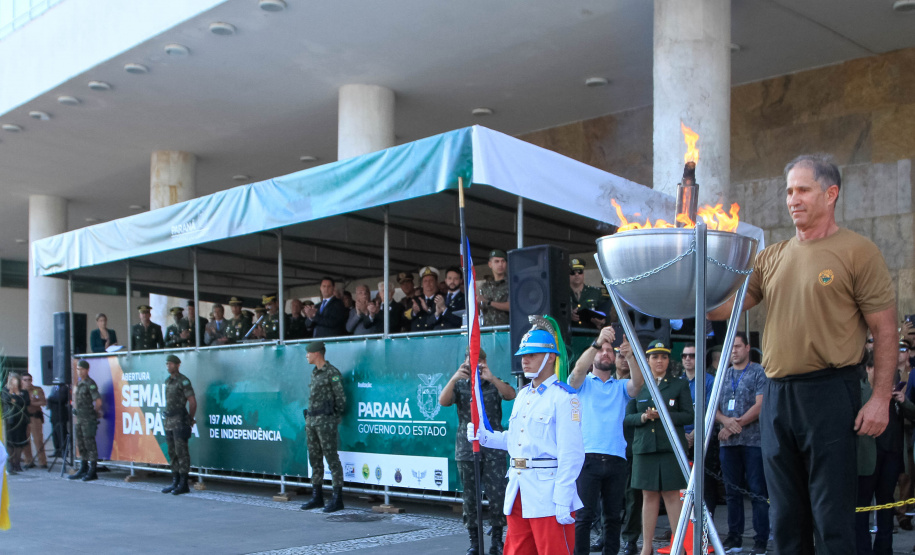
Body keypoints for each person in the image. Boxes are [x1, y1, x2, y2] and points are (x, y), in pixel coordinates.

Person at [708, 154, 897, 554]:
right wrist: (687, 284)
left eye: (803, 189)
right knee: (786, 520)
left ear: (831, 194)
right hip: (778, 396)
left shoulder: (857, 252)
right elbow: (725, 308)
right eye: (789, 190)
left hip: (830, 393)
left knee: (832, 519)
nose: (793, 198)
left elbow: (884, 329)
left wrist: (880, 399)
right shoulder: (771, 256)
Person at [470, 322, 585, 554]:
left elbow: (571, 453)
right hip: (519, 489)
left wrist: (563, 496)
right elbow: (516, 441)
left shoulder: (564, 398)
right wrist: (485, 437)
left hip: (549, 493)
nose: (524, 360)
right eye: (523, 355)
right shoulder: (522, 395)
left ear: (551, 357)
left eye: (531, 355)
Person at [568, 326, 643, 555]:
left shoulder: (620, 386)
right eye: (602, 350)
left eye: (611, 350)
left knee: (612, 517)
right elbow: (577, 370)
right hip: (587, 458)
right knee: (583, 516)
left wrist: (629, 356)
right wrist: (597, 341)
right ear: (594, 355)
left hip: (616, 459)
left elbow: (638, 384)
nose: (606, 353)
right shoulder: (583, 383)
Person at [440, 348, 516, 555]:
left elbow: (511, 395)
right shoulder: (460, 385)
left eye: (479, 361)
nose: (475, 366)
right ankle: (474, 542)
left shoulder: (493, 382)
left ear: (485, 362)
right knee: (471, 499)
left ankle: (497, 541)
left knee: (498, 496)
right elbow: (443, 401)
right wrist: (455, 377)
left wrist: (490, 377)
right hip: (467, 448)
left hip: (494, 449)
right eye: (470, 362)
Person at [623, 340, 692, 555]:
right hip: (645, 448)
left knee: (672, 496)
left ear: (668, 360)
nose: (659, 361)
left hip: (670, 448)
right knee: (648, 496)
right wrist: (644, 416)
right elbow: (628, 418)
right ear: (648, 360)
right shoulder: (639, 384)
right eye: (654, 357)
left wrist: (664, 415)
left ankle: (678, 545)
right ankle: (646, 547)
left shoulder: (678, 384)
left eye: (663, 357)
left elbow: (689, 415)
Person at [857, 345, 913, 555]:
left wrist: (903, 401)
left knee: (886, 504)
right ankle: (862, 550)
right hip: (867, 458)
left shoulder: (894, 392)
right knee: (861, 508)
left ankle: (884, 549)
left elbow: (912, 415)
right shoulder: (860, 390)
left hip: (891, 455)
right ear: (869, 369)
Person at [715, 332, 769, 554]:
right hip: (728, 444)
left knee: (757, 491)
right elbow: (713, 408)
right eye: (730, 348)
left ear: (747, 348)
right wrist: (726, 422)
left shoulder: (758, 372)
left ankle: (761, 540)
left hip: (753, 441)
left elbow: (761, 404)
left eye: (737, 346)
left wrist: (737, 424)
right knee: (731, 492)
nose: (734, 351)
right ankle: (734, 537)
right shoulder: (722, 374)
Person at [299, 341, 347, 513]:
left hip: (325, 421)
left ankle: (337, 498)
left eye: (309, 353)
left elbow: (340, 398)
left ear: (317, 353)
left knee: (331, 458)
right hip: (312, 420)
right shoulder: (314, 373)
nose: (307, 356)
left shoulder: (332, 373)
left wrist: (334, 418)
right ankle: (317, 495)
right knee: (315, 458)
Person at [678, 343, 719, 519]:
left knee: (705, 485)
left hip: (704, 438)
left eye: (692, 355)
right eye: (684, 355)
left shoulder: (709, 380)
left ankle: (705, 529)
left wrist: (695, 434)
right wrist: (684, 435)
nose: (688, 358)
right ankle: (681, 528)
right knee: (681, 486)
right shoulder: (678, 382)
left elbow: (711, 410)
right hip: (681, 438)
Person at [617, 349, 642, 555]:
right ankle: (607, 535)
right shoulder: (605, 384)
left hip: (633, 447)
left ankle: (630, 539)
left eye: (627, 357)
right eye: (620, 356)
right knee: (609, 497)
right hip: (610, 448)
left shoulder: (638, 385)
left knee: (633, 497)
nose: (623, 361)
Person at [161, 354, 196, 495]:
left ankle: (184, 483)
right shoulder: (167, 381)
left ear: (177, 365)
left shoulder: (184, 381)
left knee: (182, 452)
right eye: (167, 364)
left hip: (180, 419)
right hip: (169, 420)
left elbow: (192, 402)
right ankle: (175, 480)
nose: (168, 366)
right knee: (172, 451)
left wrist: (190, 419)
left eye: (171, 364)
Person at [69, 360, 102, 481]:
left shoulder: (90, 383)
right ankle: (83, 468)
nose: (79, 371)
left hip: (88, 418)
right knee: (81, 444)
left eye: (81, 369)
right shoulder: (78, 384)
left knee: (90, 444)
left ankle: (92, 470)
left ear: (87, 370)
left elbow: (98, 401)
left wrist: (94, 412)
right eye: (78, 369)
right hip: (79, 418)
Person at [2, 373, 30, 474]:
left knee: (19, 442)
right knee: (10, 442)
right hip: (10, 420)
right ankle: (10, 463)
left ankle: (17, 463)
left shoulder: (23, 392)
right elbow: (7, 401)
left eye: (16, 380)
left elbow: (26, 402)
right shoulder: (5, 391)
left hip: (21, 420)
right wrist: (14, 397)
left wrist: (16, 397)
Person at [21, 373, 47, 469]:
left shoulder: (37, 390)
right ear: (21, 381)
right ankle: (28, 460)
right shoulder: (20, 391)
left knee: (38, 440)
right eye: (25, 380)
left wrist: (31, 402)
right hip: (24, 418)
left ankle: (42, 461)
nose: (28, 382)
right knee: (25, 440)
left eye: (29, 379)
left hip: (35, 417)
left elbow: (43, 402)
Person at [479, 249, 510, 327]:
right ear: (490, 264)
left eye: (503, 261)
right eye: (497, 261)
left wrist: (489, 302)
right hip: (488, 330)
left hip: (506, 330)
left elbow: (511, 307)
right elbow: (481, 310)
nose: (500, 264)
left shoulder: (511, 284)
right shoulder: (485, 286)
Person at [570, 258, 602, 329]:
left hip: (590, 334)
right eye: (572, 272)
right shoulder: (562, 293)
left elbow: (605, 314)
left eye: (580, 272)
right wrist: (569, 315)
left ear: (583, 274)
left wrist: (600, 321)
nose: (576, 275)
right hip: (569, 334)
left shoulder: (595, 292)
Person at [410, 267, 442, 332]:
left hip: (434, 336)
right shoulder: (416, 299)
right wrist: (414, 312)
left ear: (436, 282)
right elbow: (403, 316)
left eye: (431, 280)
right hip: (417, 336)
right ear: (422, 284)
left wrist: (428, 310)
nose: (428, 283)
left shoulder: (441, 298)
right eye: (425, 281)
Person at [47, 382, 70, 457]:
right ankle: (57, 450)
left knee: (61, 433)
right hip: (54, 413)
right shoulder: (54, 387)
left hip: (61, 413)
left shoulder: (64, 387)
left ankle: (63, 450)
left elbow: (62, 398)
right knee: (55, 434)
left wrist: (50, 398)